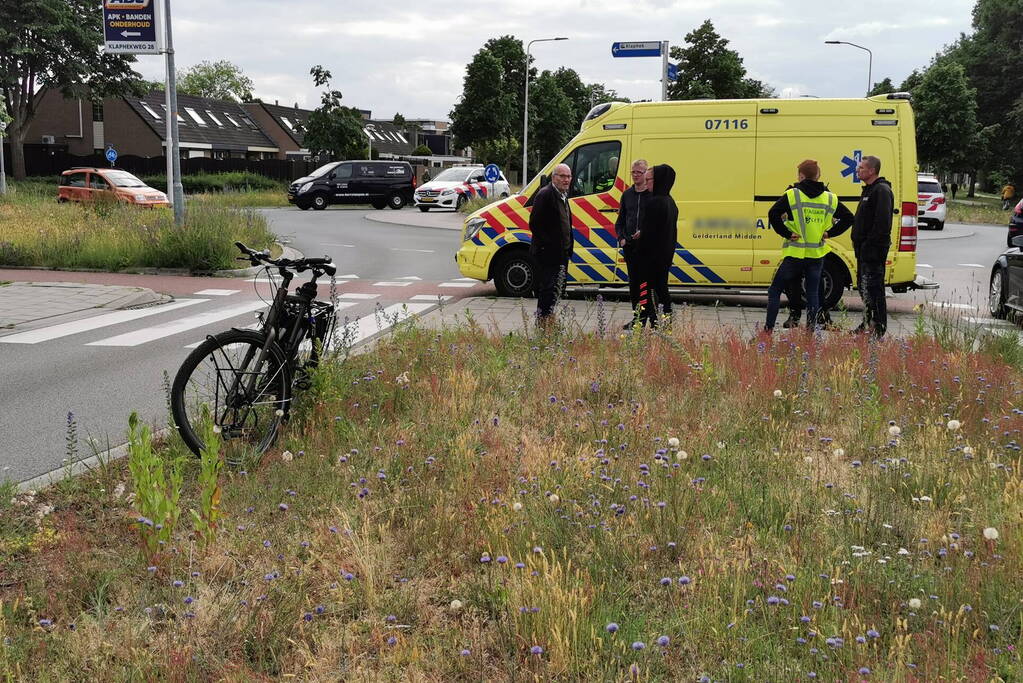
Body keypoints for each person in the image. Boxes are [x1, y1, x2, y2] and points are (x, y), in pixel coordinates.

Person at [764, 159, 854, 332]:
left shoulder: (792, 194)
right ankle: (810, 333)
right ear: (818, 175)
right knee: (813, 294)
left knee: (775, 291)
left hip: (795, 254)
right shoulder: (829, 197)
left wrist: (787, 233)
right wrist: (829, 233)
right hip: (816, 255)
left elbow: (773, 213)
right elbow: (849, 218)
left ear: (801, 176)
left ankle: (767, 331)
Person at [852, 155, 894, 338]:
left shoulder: (881, 191)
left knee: (874, 289)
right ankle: (868, 321)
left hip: (873, 252)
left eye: (861, 168)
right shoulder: (869, 190)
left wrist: (869, 245)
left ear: (871, 171)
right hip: (863, 250)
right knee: (864, 288)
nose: (857, 170)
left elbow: (882, 223)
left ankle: (878, 327)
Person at [633, 163, 677, 328]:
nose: (646, 183)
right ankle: (666, 321)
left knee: (649, 291)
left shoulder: (654, 203)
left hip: (650, 260)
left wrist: (639, 250)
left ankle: (656, 322)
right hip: (664, 257)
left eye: (650, 180)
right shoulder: (670, 202)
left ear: (659, 181)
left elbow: (650, 235)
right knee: (663, 290)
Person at [528, 163, 574, 323]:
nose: (566, 179)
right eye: (562, 176)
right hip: (549, 253)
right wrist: (548, 245)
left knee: (556, 288)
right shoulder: (545, 194)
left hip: (561, 252)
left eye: (568, 176)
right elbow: (535, 224)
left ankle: (549, 318)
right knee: (548, 288)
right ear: (554, 177)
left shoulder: (562, 195)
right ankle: (542, 321)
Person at [615, 159, 651, 328]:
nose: (636, 175)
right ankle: (637, 318)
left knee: (647, 284)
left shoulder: (652, 195)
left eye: (640, 172)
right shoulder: (627, 195)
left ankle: (650, 318)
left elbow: (656, 222)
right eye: (633, 172)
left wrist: (644, 232)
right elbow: (620, 220)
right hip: (630, 247)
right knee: (634, 284)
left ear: (646, 174)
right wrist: (621, 238)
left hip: (646, 248)